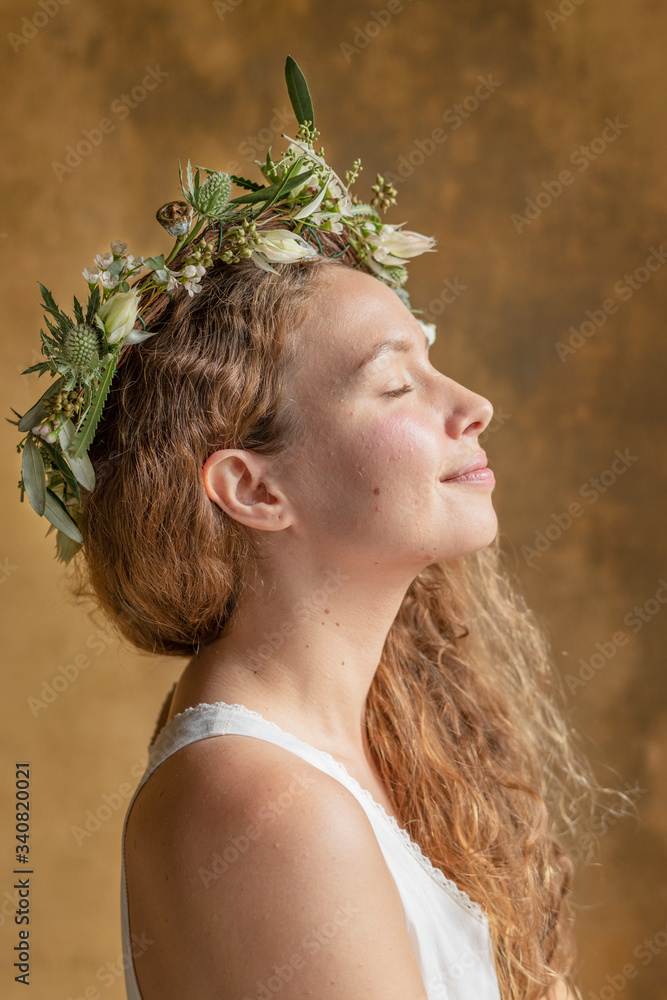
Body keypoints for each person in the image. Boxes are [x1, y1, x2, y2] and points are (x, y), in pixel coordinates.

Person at [12, 57, 632, 1000]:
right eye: (394, 383)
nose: (472, 405)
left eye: (437, 365)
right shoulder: (260, 806)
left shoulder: (365, 748)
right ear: (254, 491)